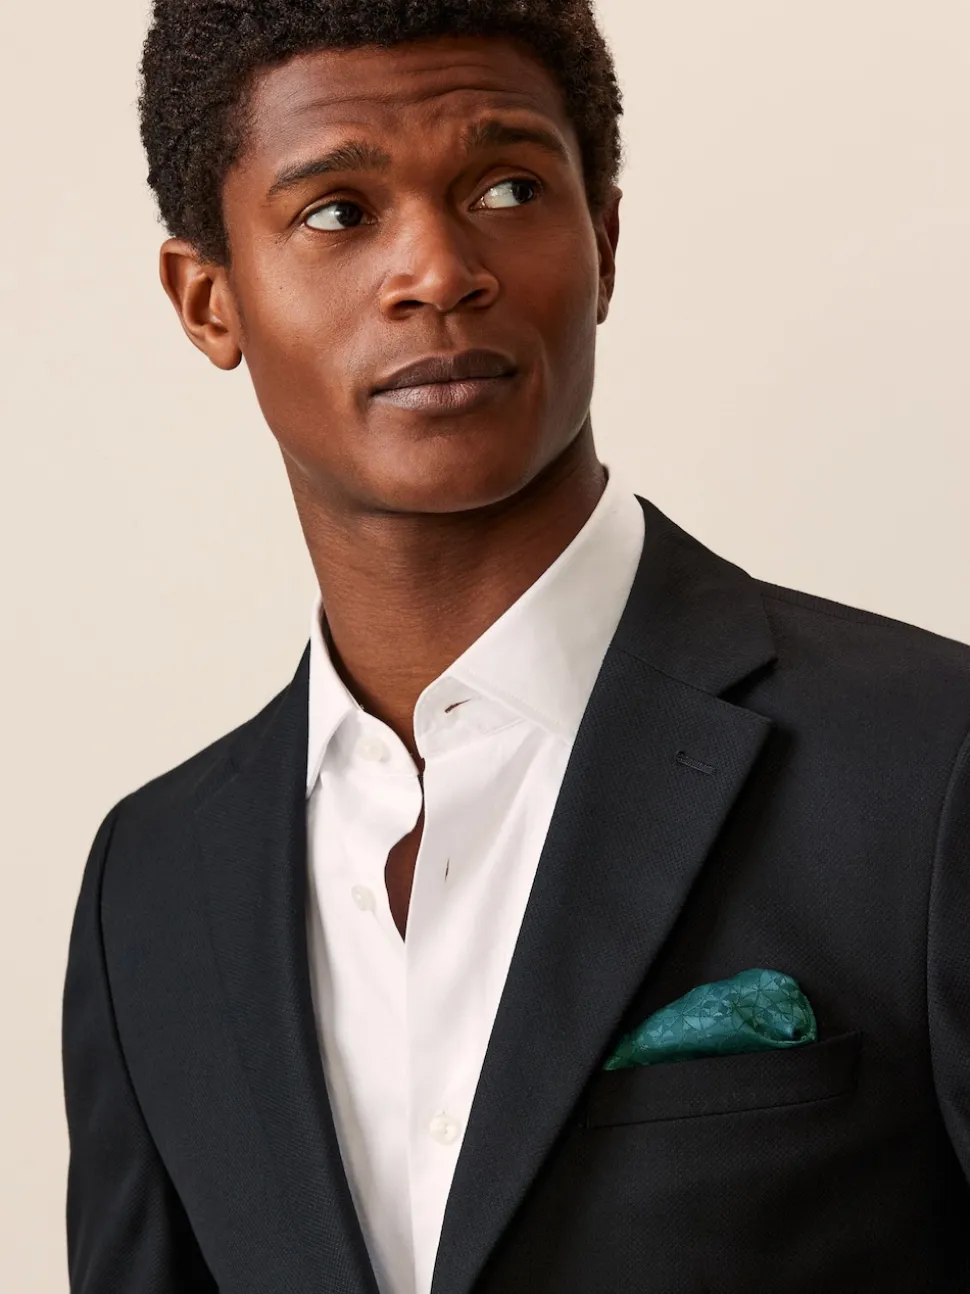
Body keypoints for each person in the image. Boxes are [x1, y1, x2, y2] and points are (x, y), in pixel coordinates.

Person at [61, 2, 970, 1291]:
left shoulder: (929, 768)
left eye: (508, 188)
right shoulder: (151, 889)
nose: (437, 270)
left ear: (604, 241)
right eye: (338, 212)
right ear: (209, 300)